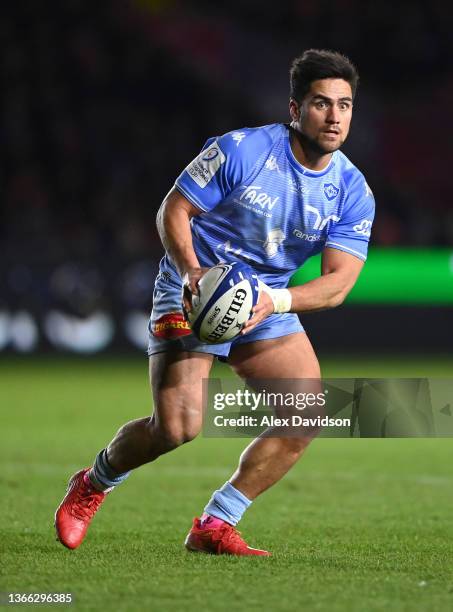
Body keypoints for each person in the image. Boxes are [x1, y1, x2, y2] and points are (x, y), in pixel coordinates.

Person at [55, 49, 375, 555]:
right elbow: (173, 211)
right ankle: (93, 483)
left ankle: (216, 522)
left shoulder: (352, 191)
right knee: (177, 429)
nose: (334, 116)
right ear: (295, 110)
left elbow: (338, 283)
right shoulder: (243, 150)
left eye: (345, 105)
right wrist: (190, 272)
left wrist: (275, 300)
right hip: (194, 289)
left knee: (306, 412)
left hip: (262, 299)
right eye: (320, 103)